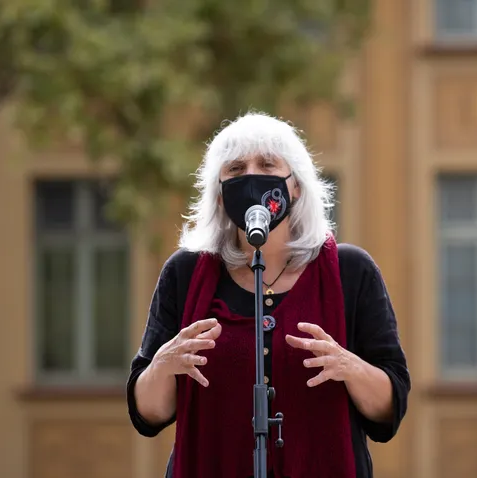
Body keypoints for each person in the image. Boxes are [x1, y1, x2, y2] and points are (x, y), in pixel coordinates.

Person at [127, 112, 411, 478]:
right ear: (219, 194)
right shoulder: (184, 273)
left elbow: (389, 410)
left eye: (267, 164)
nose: (251, 178)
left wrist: (349, 366)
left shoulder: (351, 272)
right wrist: (163, 366)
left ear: (296, 186)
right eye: (235, 169)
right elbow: (147, 414)